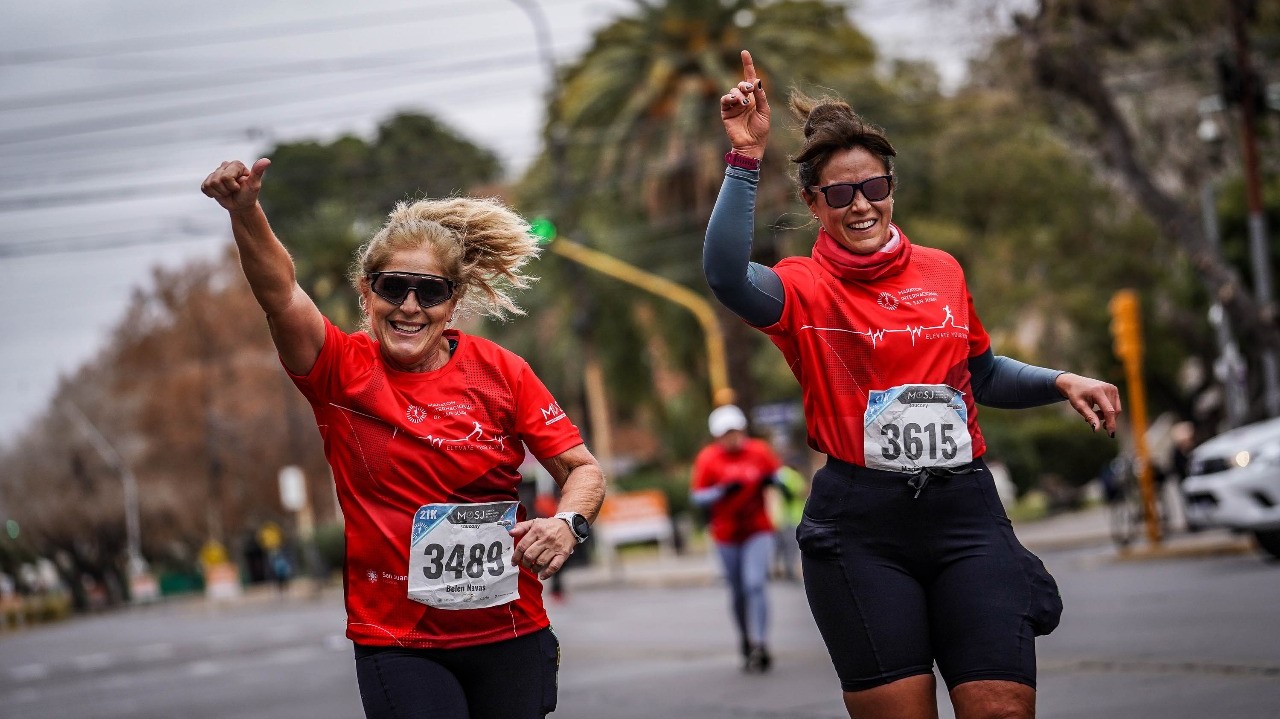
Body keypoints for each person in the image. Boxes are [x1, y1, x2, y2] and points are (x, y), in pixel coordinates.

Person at [704, 51, 1123, 719]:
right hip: (861, 528)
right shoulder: (801, 289)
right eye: (840, 193)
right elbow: (726, 275)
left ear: (892, 187)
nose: (862, 204)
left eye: (875, 186)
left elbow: (980, 372)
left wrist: (1061, 379)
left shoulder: (943, 271)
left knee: (1002, 709)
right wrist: (746, 157)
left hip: (966, 513)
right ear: (814, 203)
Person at [201, 158, 606, 719]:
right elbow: (281, 293)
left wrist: (568, 525)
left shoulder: (503, 372)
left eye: (430, 292)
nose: (410, 307)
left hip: (510, 630)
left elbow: (582, 469)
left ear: (453, 302)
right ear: (367, 294)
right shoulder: (340, 370)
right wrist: (245, 212)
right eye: (394, 288)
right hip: (399, 642)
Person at [691, 404, 783, 672]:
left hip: (757, 529)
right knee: (739, 590)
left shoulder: (759, 451)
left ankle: (762, 643)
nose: (731, 437)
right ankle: (745, 638)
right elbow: (697, 496)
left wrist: (773, 482)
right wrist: (721, 492)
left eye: (734, 431)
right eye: (725, 433)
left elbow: (778, 475)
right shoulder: (709, 458)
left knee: (755, 583)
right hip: (727, 534)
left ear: (742, 430)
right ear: (717, 436)